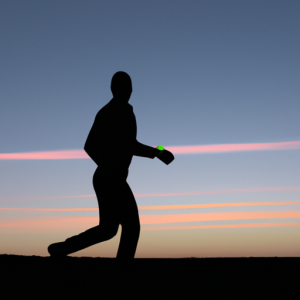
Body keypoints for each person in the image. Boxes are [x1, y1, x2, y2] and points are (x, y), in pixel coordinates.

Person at [48, 71, 174, 259]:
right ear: (119, 89)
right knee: (131, 225)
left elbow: (127, 144)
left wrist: (156, 152)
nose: (129, 90)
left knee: (108, 229)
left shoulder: (114, 111)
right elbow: (92, 145)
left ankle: (61, 249)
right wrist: (154, 153)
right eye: (126, 86)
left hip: (107, 177)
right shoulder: (116, 112)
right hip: (109, 178)